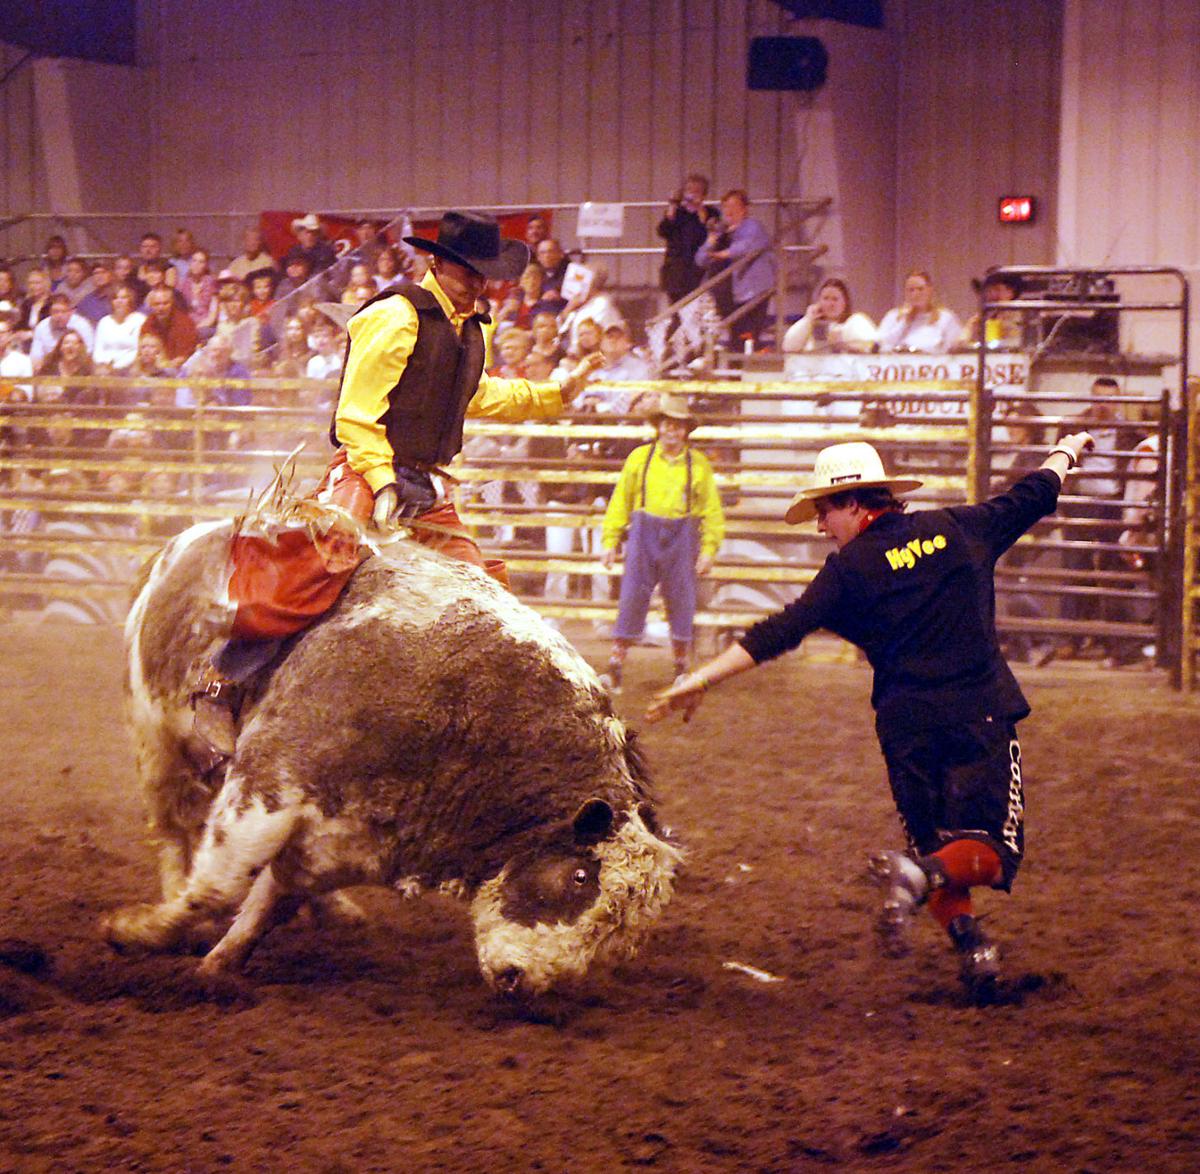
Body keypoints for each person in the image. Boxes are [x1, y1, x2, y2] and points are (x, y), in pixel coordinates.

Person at [646, 432, 1097, 1004]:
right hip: (975, 713)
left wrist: (701, 677)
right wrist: (1066, 452)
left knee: (932, 848)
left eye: (823, 511)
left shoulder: (848, 571)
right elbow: (1035, 493)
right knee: (989, 851)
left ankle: (973, 948)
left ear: (855, 503)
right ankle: (923, 887)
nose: (818, 526)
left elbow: (782, 630)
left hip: (905, 726)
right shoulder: (958, 528)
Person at [190, 209, 602, 756]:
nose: (480, 284)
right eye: (471, 272)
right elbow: (357, 416)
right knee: (318, 563)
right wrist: (382, 482)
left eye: (485, 274)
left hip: (426, 484)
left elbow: (478, 395)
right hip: (368, 468)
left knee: (484, 594)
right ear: (439, 262)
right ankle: (223, 682)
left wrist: (556, 393)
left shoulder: (471, 328)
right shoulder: (395, 316)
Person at [599, 394, 724, 691]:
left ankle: (681, 668)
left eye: (678, 426)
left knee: (682, 600)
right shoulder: (639, 459)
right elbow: (620, 502)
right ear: (659, 426)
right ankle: (615, 667)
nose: (672, 431)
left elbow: (712, 511)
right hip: (644, 535)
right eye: (668, 424)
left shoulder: (699, 465)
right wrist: (610, 540)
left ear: (686, 431)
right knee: (631, 597)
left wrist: (708, 550)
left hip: (682, 539)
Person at [693, 189, 777, 347]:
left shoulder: (752, 226)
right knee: (735, 335)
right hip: (727, 294)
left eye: (734, 205)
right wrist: (711, 241)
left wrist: (721, 254)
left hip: (752, 290)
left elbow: (746, 246)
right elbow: (700, 259)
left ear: (744, 209)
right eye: (725, 206)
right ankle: (735, 367)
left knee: (748, 334)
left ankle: (745, 364)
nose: (729, 210)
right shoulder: (720, 232)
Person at [657, 173, 716, 305]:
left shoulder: (711, 213)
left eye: (697, 191)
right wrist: (672, 208)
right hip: (675, 269)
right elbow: (662, 231)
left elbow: (711, 234)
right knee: (676, 309)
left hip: (698, 269)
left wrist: (700, 211)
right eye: (689, 190)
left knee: (696, 308)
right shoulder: (678, 212)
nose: (692, 194)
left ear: (704, 194)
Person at [782, 277, 878, 354]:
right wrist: (808, 319)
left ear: (845, 302)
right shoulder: (810, 324)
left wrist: (844, 345)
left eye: (835, 299)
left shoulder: (856, 321)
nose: (830, 304)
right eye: (825, 298)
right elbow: (789, 346)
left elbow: (873, 347)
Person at [877, 270, 962, 354]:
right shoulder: (893, 316)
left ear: (930, 290)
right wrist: (904, 322)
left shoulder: (945, 318)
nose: (915, 294)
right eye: (911, 290)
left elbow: (954, 349)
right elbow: (882, 345)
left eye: (920, 289)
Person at [960, 272, 1025, 350]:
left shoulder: (1023, 316)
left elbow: (1024, 344)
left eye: (996, 289)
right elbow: (958, 344)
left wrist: (1006, 327)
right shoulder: (979, 319)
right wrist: (973, 334)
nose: (990, 294)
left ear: (1011, 292)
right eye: (987, 290)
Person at [93, 283, 147, 374]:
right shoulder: (104, 322)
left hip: (130, 368)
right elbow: (98, 349)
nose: (119, 301)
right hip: (104, 368)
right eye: (115, 298)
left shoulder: (139, 320)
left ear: (130, 300)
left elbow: (137, 350)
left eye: (123, 298)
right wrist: (103, 364)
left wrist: (117, 367)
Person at [31, 293, 95, 369]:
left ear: (71, 312)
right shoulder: (42, 327)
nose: (59, 316)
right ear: (49, 312)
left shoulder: (82, 325)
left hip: (77, 368)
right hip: (50, 368)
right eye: (55, 312)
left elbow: (88, 353)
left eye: (63, 311)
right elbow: (36, 356)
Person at [140, 285, 199, 366]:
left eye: (165, 303)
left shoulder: (185, 323)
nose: (161, 308)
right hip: (154, 367)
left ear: (172, 303)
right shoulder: (148, 324)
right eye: (157, 304)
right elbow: (143, 353)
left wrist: (166, 366)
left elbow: (184, 357)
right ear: (151, 305)